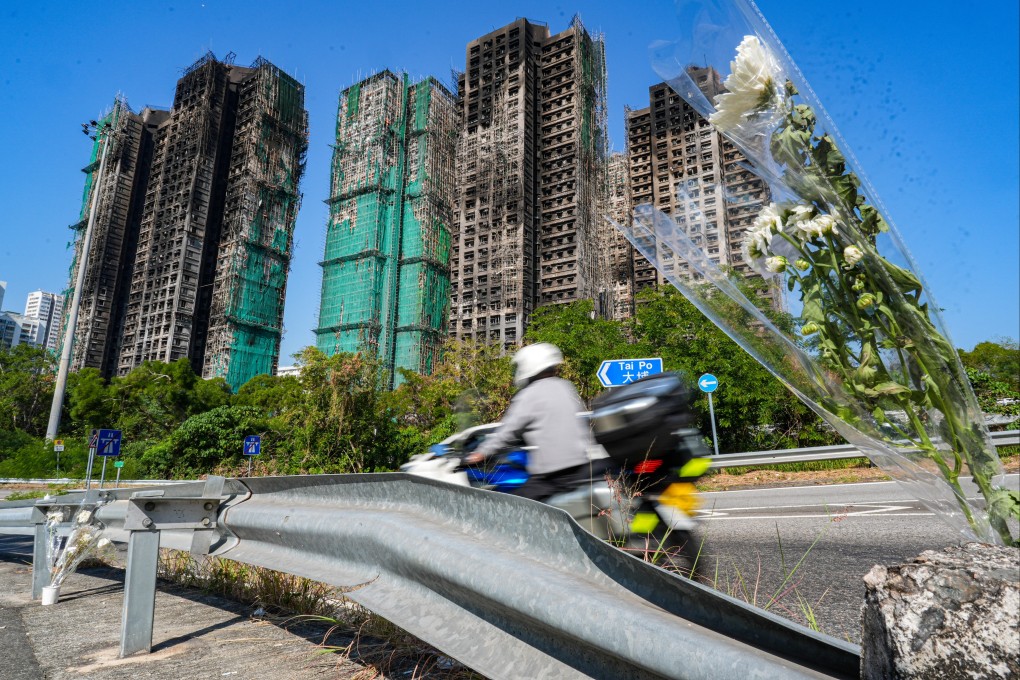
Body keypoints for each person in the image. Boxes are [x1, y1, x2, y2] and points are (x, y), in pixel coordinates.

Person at [463, 342, 592, 501]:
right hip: (582, 470)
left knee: (511, 507)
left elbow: (507, 432)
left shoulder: (529, 394)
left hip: (551, 477)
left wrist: (479, 454)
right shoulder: (566, 386)